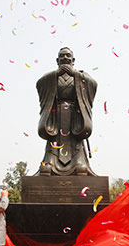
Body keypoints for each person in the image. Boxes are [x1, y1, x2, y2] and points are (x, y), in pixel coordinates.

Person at [35, 47, 98, 176]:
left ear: (73, 60)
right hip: (55, 114)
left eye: (68, 56)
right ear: (57, 60)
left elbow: (93, 84)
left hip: (75, 115)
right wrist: (55, 74)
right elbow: (40, 84)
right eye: (62, 56)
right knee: (54, 138)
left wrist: (76, 75)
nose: (65, 58)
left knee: (75, 139)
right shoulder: (51, 77)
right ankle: (50, 161)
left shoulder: (81, 76)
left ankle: (79, 162)